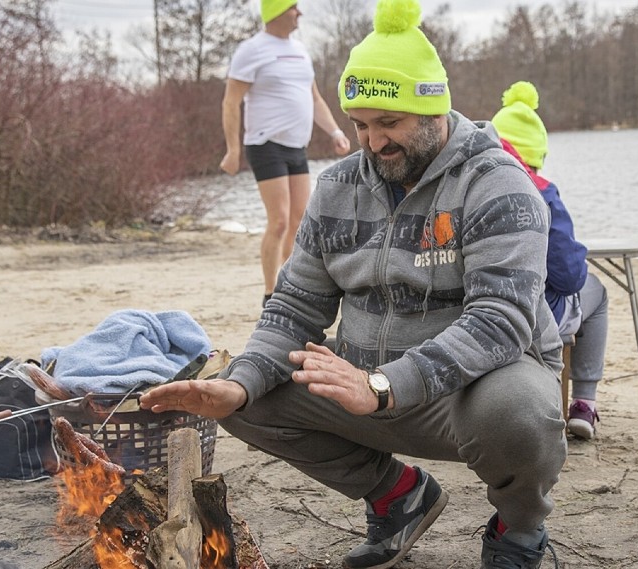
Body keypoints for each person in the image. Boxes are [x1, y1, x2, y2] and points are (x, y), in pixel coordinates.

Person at [142, 1, 567, 568]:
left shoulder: (498, 184)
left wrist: (386, 384)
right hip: (367, 385)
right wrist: (241, 382)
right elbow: (295, 305)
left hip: (470, 393)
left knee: (521, 413)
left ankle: (518, 532)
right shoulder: (338, 185)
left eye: (389, 123)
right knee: (239, 396)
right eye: (361, 125)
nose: (373, 142)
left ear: (434, 108)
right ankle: (400, 498)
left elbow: (501, 321)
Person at [492, 81, 609, 440]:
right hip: (536, 316)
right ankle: (584, 404)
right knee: (597, 292)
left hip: (478, 312)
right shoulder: (540, 190)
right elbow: (569, 276)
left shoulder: (470, 182)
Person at [219, 0, 351, 307]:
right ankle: (270, 293)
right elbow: (230, 101)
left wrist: (334, 131)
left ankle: (290, 286)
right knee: (278, 221)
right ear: (276, 12)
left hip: (297, 146)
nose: (299, 13)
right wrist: (232, 149)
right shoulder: (252, 50)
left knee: (299, 222)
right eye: (293, 7)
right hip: (265, 144)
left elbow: (315, 99)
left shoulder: (301, 51)